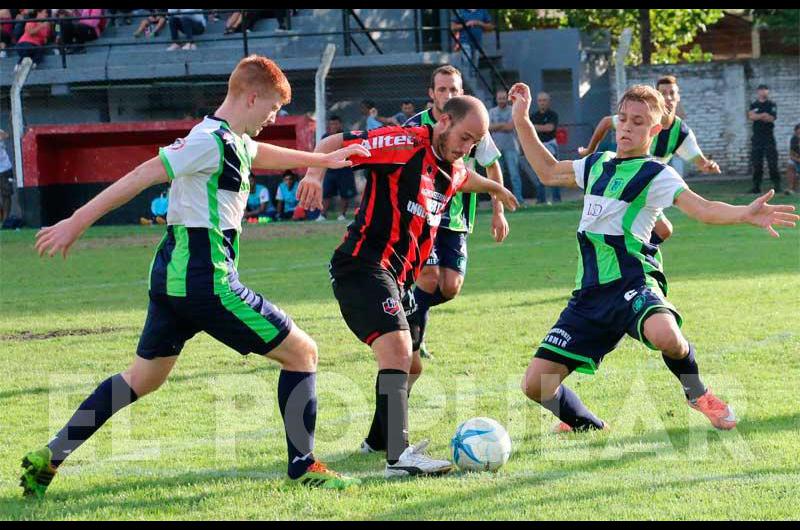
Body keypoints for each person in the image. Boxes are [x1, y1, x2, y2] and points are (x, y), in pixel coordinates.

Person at [21, 55, 371, 499]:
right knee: (303, 352)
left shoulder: (232, 140)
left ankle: (50, 457)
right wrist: (76, 220)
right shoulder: (208, 140)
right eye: (273, 109)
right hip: (205, 279)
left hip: (172, 275)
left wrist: (327, 160)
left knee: (141, 379)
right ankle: (304, 466)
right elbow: (144, 173)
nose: (273, 118)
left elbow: (258, 153)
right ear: (250, 97)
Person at [509, 81, 797, 435]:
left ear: (655, 130)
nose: (628, 127)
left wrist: (744, 214)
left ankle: (698, 393)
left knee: (667, 335)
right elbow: (548, 171)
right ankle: (588, 425)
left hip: (633, 283)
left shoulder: (657, 174)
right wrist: (522, 118)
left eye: (639, 122)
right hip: (589, 295)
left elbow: (702, 208)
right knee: (535, 385)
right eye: (624, 119)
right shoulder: (596, 165)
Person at [297, 95, 519, 478]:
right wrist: (314, 174)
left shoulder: (453, 168)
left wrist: (496, 192)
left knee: (410, 364)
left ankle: (378, 440)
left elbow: (470, 179)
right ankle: (398, 458)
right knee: (399, 349)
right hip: (363, 265)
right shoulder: (403, 144)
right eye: (464, 138)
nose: (466, 149)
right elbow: (334, 143)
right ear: (445, 121)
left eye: (473, 144)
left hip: (397, 278)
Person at [402, 64, 508, 361]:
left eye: (454, 89)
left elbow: (492, 165)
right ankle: (412, 341)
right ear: (431, 93)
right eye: (442, 89)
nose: (448, 94)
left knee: (450, 287)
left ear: (462, 93)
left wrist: (497, 211)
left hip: (457, 219)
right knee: (429, 276)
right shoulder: (415, 126)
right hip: (422, 215)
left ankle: (406, 305)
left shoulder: (474, 124)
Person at [579, 75, 721, 246]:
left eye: (672, 93)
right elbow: (606, 122)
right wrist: (590, 150)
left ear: (678, 97)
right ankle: (628, 253)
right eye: (663, 93)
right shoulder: (640, 119)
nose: (668, 98)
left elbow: (699, 160)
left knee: (664, 230)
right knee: (662, 229)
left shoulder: (682, 132)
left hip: (649, 186)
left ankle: (633, 253)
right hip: (627, 182)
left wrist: (708, 166)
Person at [523, 92, 562, 204]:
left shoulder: (553, 115)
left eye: (544, 100)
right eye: (540, 100)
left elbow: (549, 128)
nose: (542, 103)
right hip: (538, 147)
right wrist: (538, 128)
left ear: (548, 102)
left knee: (554, 173)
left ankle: (556, 199)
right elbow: (528, 129)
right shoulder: (533, 116)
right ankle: (541, 200)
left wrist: (534, 127)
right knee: (539, 173)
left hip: (550, 146)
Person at [489, 88, 524, 205]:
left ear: (507, 99)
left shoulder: (512, 110)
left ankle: (518, 200)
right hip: (496, 148)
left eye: (504, 98)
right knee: (497, 177)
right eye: (500, 98)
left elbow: (510, 127)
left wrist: (497, 126)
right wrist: (503, 126)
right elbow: (488, 127)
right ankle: (498, 201)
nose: (502, 100)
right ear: (496, 99)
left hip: (511, 147)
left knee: (514, 175)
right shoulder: (492, 111)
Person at [319, 115, 357, 221]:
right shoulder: (325, 137)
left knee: (344, 194)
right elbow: (323, 151)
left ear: (340, 124)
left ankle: (342, 215)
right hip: (330, 170)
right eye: (331, 124)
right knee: (326, 193)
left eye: (336, 123)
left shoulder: (347, 136)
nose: (334, 126)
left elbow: (350, 151)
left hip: (345, 170)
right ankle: (322, 215)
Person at [748, 84, 781, 194]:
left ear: (768, 92)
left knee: (772, 163)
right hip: (757, 138)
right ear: (758, 92)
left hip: (769, 138)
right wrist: (763, 115)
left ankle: (777, 185)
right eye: (761, 90)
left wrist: (759, 116)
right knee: (757, 164)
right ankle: (756, 187)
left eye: (766, 90)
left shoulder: (771, 104)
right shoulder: (754, 104)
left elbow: (771, 118)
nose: (763, 92)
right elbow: (751, 116)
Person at [0, 128, 13, 222]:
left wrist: (3, 136)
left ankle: (6, 220)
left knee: (6, 194)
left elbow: (7, 135)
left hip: (4, 168)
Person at [786, 123, 800, 196]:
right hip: (797, 160)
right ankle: (791, 189)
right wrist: (797, 160)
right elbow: (791, 155)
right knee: (790, 164)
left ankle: (795, 189)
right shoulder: (793, 139)